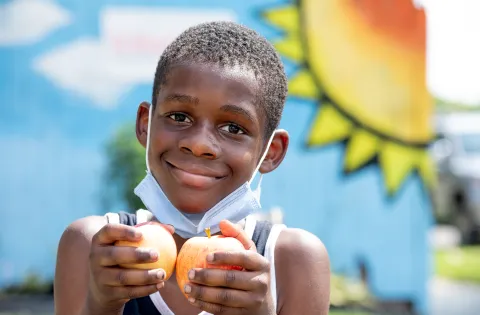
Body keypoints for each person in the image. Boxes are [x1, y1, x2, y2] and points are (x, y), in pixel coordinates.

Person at [54, 21, 330, 315]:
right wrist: (101, 304)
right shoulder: (93, 245)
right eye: (179, 117)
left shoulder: (291, 260)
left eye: (233, 127)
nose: (199, 144)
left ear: (270, 152)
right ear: (145, 124)